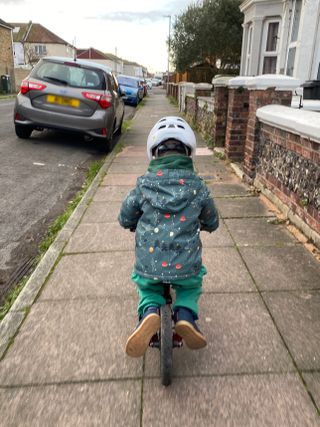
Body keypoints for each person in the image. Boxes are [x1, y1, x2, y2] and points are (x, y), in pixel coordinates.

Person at [118, 116, 219, 357]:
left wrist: (131, 222)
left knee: (148, 287)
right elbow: (212, 219)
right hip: (186, 263)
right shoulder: (198, 187)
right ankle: (185, 315)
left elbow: (125, 215)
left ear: (153, 153)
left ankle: (150, 311)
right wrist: (208, 225)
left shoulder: (143, 185)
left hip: (150, 262)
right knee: (190, 287)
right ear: (189, 153)